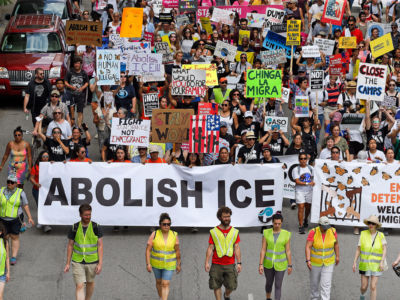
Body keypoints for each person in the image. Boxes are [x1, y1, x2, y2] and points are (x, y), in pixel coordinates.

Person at [64, 204, 103, 300]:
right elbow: (70, 245)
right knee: (80, 285)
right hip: (77, 261)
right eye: (86, 215)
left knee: (90, 283)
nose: (88, 217)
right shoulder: (74, 227)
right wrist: (68, 263)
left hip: (92, 261)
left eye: (89, 214)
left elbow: (100, 245)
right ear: (80, 215)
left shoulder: (96, 227)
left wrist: (100, 264)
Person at [205, 206, 241, 300]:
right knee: (216, 286)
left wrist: (239, 263)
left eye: (228, 216)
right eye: (225, 217)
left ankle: (227, 295)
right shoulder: (214, 232)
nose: (227, 219)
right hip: (216, 264)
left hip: (230, 263)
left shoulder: (234, 231)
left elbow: (237, 247)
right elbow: (210, 247)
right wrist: (207, 262)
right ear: (220, 217)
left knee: (231, 286)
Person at [0, 174, 34, 265]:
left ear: (16, 184)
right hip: (3, 219)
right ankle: (6, 255)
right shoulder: (1, 191)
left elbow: (25, 205)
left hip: (16, 218)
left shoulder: (20, 192)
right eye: (8, 182)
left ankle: (13, 257)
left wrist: (30, 217)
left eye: (12, 182)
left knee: (14, 237)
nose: (9, 184)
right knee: (5, 237)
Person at [145, 213, 181, 300]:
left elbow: (177, 251)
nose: (166, 226)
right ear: (160, 225)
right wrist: (148, 264)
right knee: (158, 282)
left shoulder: (174, 235)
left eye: (168, 224)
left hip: (169, 264)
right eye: (164, 224)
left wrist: (179, 264)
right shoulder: (154, 234)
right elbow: (148, 250)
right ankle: (161, 297)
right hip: (156, 264)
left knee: (165, 283)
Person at [352, 215, 387, 300]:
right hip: (364, 265)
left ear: (376, 225)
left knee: (373, 286)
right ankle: (362, 295)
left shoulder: (381, 235)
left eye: (373, 223)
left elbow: (384, 249)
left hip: (376, 265)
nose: (371, 225)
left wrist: (382, 261)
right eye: (369, 223)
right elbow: (358, 249)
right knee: (364, 286)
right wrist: (354, 262)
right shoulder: (363, 234)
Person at [258, 213, 292, 300]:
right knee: (269, 283)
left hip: (281, 264)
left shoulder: (286, 234)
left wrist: (290, 265)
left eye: (279, 224)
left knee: (278, 285)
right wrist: (260, 264)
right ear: (272, 222)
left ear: (282, 223)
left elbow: (288, 251)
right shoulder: (266, 233)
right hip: (268, 264)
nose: (277, 225)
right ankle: (268, 298)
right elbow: (263, 249)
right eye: (275, 223)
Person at [306, 216, 340, 300]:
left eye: (327, 227)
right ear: (319, 225)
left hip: (329, 262)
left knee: (326, 284)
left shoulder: (332, 231)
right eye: (324, 227)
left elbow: (336, 244)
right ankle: (314, 297)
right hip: (315, 262)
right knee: (314, 283)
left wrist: (338, 256)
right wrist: (308, 260)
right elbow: (308, 247)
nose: (326, 229)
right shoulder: (313, 232)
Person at [29, 150, 52, 233]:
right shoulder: (36, 167)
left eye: (47, 156)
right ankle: (44, 223)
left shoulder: (51, 165)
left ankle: (45, 223)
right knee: (41, 207)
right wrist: (36, 183)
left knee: (46, 207)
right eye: (44, 157)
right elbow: (31, 178)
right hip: (37, 191)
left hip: (47, 191)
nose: (45, 158)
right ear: (40, 158)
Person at [65, 56, 89, 127]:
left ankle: (78, 127)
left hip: (80, 95)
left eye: (78, 63)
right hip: (70, 95)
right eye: (75, 63)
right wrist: (71, 87)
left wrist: (82, 88)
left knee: (80, 112)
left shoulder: (84, 73)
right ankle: (71, 126)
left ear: (81, 64)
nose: (77, 65)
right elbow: (65, 82)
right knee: (70, 111)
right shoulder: (70, 72)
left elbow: (87, 82)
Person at [294, 153, 315, 234]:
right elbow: (297, 181)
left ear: (307, 159)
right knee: (301, 207)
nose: (303, 160)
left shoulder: (311, 168)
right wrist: (307, 183)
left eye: (304, 159)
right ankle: (301, 225)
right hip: (300, 191)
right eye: (301, 159)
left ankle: (305, 219)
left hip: (309, 191)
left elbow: (314, 178)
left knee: (308, 207)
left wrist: (313, 183)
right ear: (299, 160)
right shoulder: (296, 169)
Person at [0, 222, 10, 299]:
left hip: (2, 274)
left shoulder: (4, 242)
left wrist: (8, 273)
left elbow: (7, 258)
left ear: (1, 232)